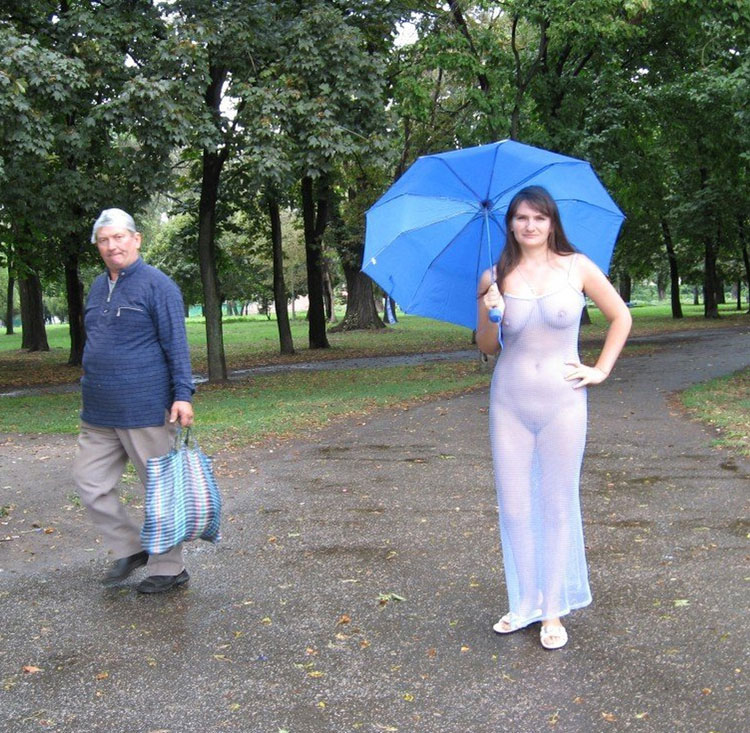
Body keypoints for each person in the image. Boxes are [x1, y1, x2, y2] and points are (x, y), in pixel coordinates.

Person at [476, 186, 631, 649]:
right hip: (509, 402)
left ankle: (552, 612)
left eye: (538, 218)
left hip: (564, 402)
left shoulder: (577, 267)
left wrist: (600, 369)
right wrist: (490, 311)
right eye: (521, 218)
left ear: (551, 222)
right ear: (510, 224)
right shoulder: (494, 276)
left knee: (557, 504)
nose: (530, 226)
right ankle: (525, 602)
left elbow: (621, 317)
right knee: (515, 508)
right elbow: (487, 347)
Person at [72, 208, 195, 594]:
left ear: (136, 239)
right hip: (99, 410)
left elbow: (177, 344)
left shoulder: (158, 286)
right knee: (89, 481)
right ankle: (130, 547)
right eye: (104, 240)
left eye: (119, 237)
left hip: (145, 408)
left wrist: (182, 395)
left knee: (160, 490)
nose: (112, 246)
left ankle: (169, 568)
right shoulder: (96, 286)